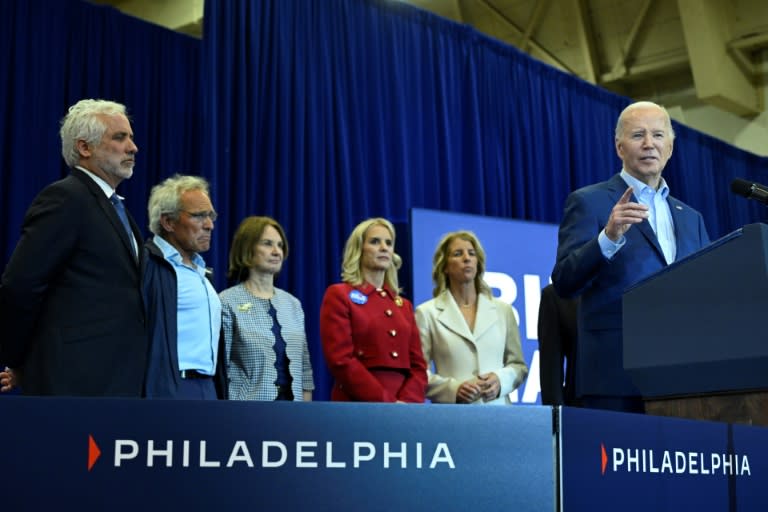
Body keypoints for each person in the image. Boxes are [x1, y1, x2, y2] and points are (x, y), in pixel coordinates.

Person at [551, 101, 710, 413]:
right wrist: (608, 237)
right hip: (615, 376)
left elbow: (707, 287)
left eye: (658, 135)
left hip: (683, 377)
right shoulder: (590, 202)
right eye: (638, 135)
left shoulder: (692, 218)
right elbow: (564, 281)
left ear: (671, 147)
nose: (649, 144)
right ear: (619, 147)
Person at [0, 99, 146, 396]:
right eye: (120, 137)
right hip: (75, 377)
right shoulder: (65, 199)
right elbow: (21, 284)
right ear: (84, 148)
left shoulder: (119, 211)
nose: (133, 147)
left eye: (131, 137)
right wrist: (18, 358)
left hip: (119, 375)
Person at [320, 218, 427, 402]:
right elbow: (341, 360)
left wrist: (408, 402)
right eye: (375, 242)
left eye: (388, 243)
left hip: (405, 410)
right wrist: (385, 402)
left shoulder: (404, 306)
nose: (384, 247)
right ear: (359, 249)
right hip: (359, 404)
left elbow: (418, 366)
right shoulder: (340, 295)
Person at [415, 231, 527, 404]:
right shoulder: (427, 313)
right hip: (453, 418)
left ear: (478, 263)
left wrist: (500, 380)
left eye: (471, 254)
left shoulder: (503, 310)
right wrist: (453, 389)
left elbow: (518, 366)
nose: (466, 258)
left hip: (499, 416)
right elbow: (418, 372)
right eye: (458, 254)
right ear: (444, 265)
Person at [142, 174, 225, 399]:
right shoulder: (146, 266)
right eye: (199, 216)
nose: (209, 225)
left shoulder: (202, 272)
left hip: (208, 388)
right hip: (169, 389)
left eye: (211, 216)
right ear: (168, 222)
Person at [219, 216, 315, 401]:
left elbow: (305, 372)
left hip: (294, 413)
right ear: (247, 248)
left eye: (280, 245)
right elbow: (222, 370)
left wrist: (306, 415)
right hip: (247, 412)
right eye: (267, 244)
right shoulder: (227, 301)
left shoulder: (292, 304)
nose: (276, 251)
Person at [537, 283, 578, 406]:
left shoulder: (634, 284)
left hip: (634, 409)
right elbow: (551, 372)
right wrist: (557, 421)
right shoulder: (556, 295)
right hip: (579, 411)